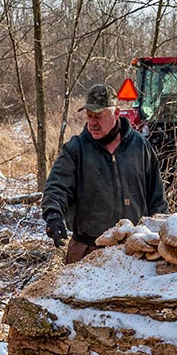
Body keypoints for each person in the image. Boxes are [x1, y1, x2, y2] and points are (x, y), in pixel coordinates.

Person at [43, 83, 165, 263]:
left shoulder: (140, 146)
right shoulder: (76, 149)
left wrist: (157, 236)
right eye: (89, 116)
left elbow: (157, 198)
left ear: (116, 114)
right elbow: (57, 186)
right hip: (87, 249)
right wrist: (53, 214)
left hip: (135, 251)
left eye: (98, 116)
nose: (92, 123)